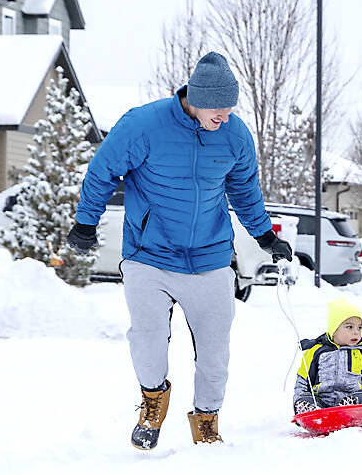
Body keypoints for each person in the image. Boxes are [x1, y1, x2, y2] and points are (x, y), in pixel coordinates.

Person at [67, 52, 293, 450]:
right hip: (148, 254)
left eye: (229, 110)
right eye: (218, 111)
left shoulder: (235, 135)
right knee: (148, 339)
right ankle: (153, 405)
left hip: (209, 258)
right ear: (196, 98)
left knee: (214, 351)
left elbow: (244, 191)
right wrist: (86, 222)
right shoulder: (143, 125)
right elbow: (103, 171)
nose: (224, 118)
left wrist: (265, 236)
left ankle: (207, 421)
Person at [293, 298, 362, 413]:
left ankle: (348, 409)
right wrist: (299, 401)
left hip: (354, 402)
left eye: (359, 327)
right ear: (334, 330)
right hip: (322, 404)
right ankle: (310, 411)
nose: (356, 332)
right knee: (305, 399)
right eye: (350, 327)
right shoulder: (316, 351)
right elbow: (303, 381)